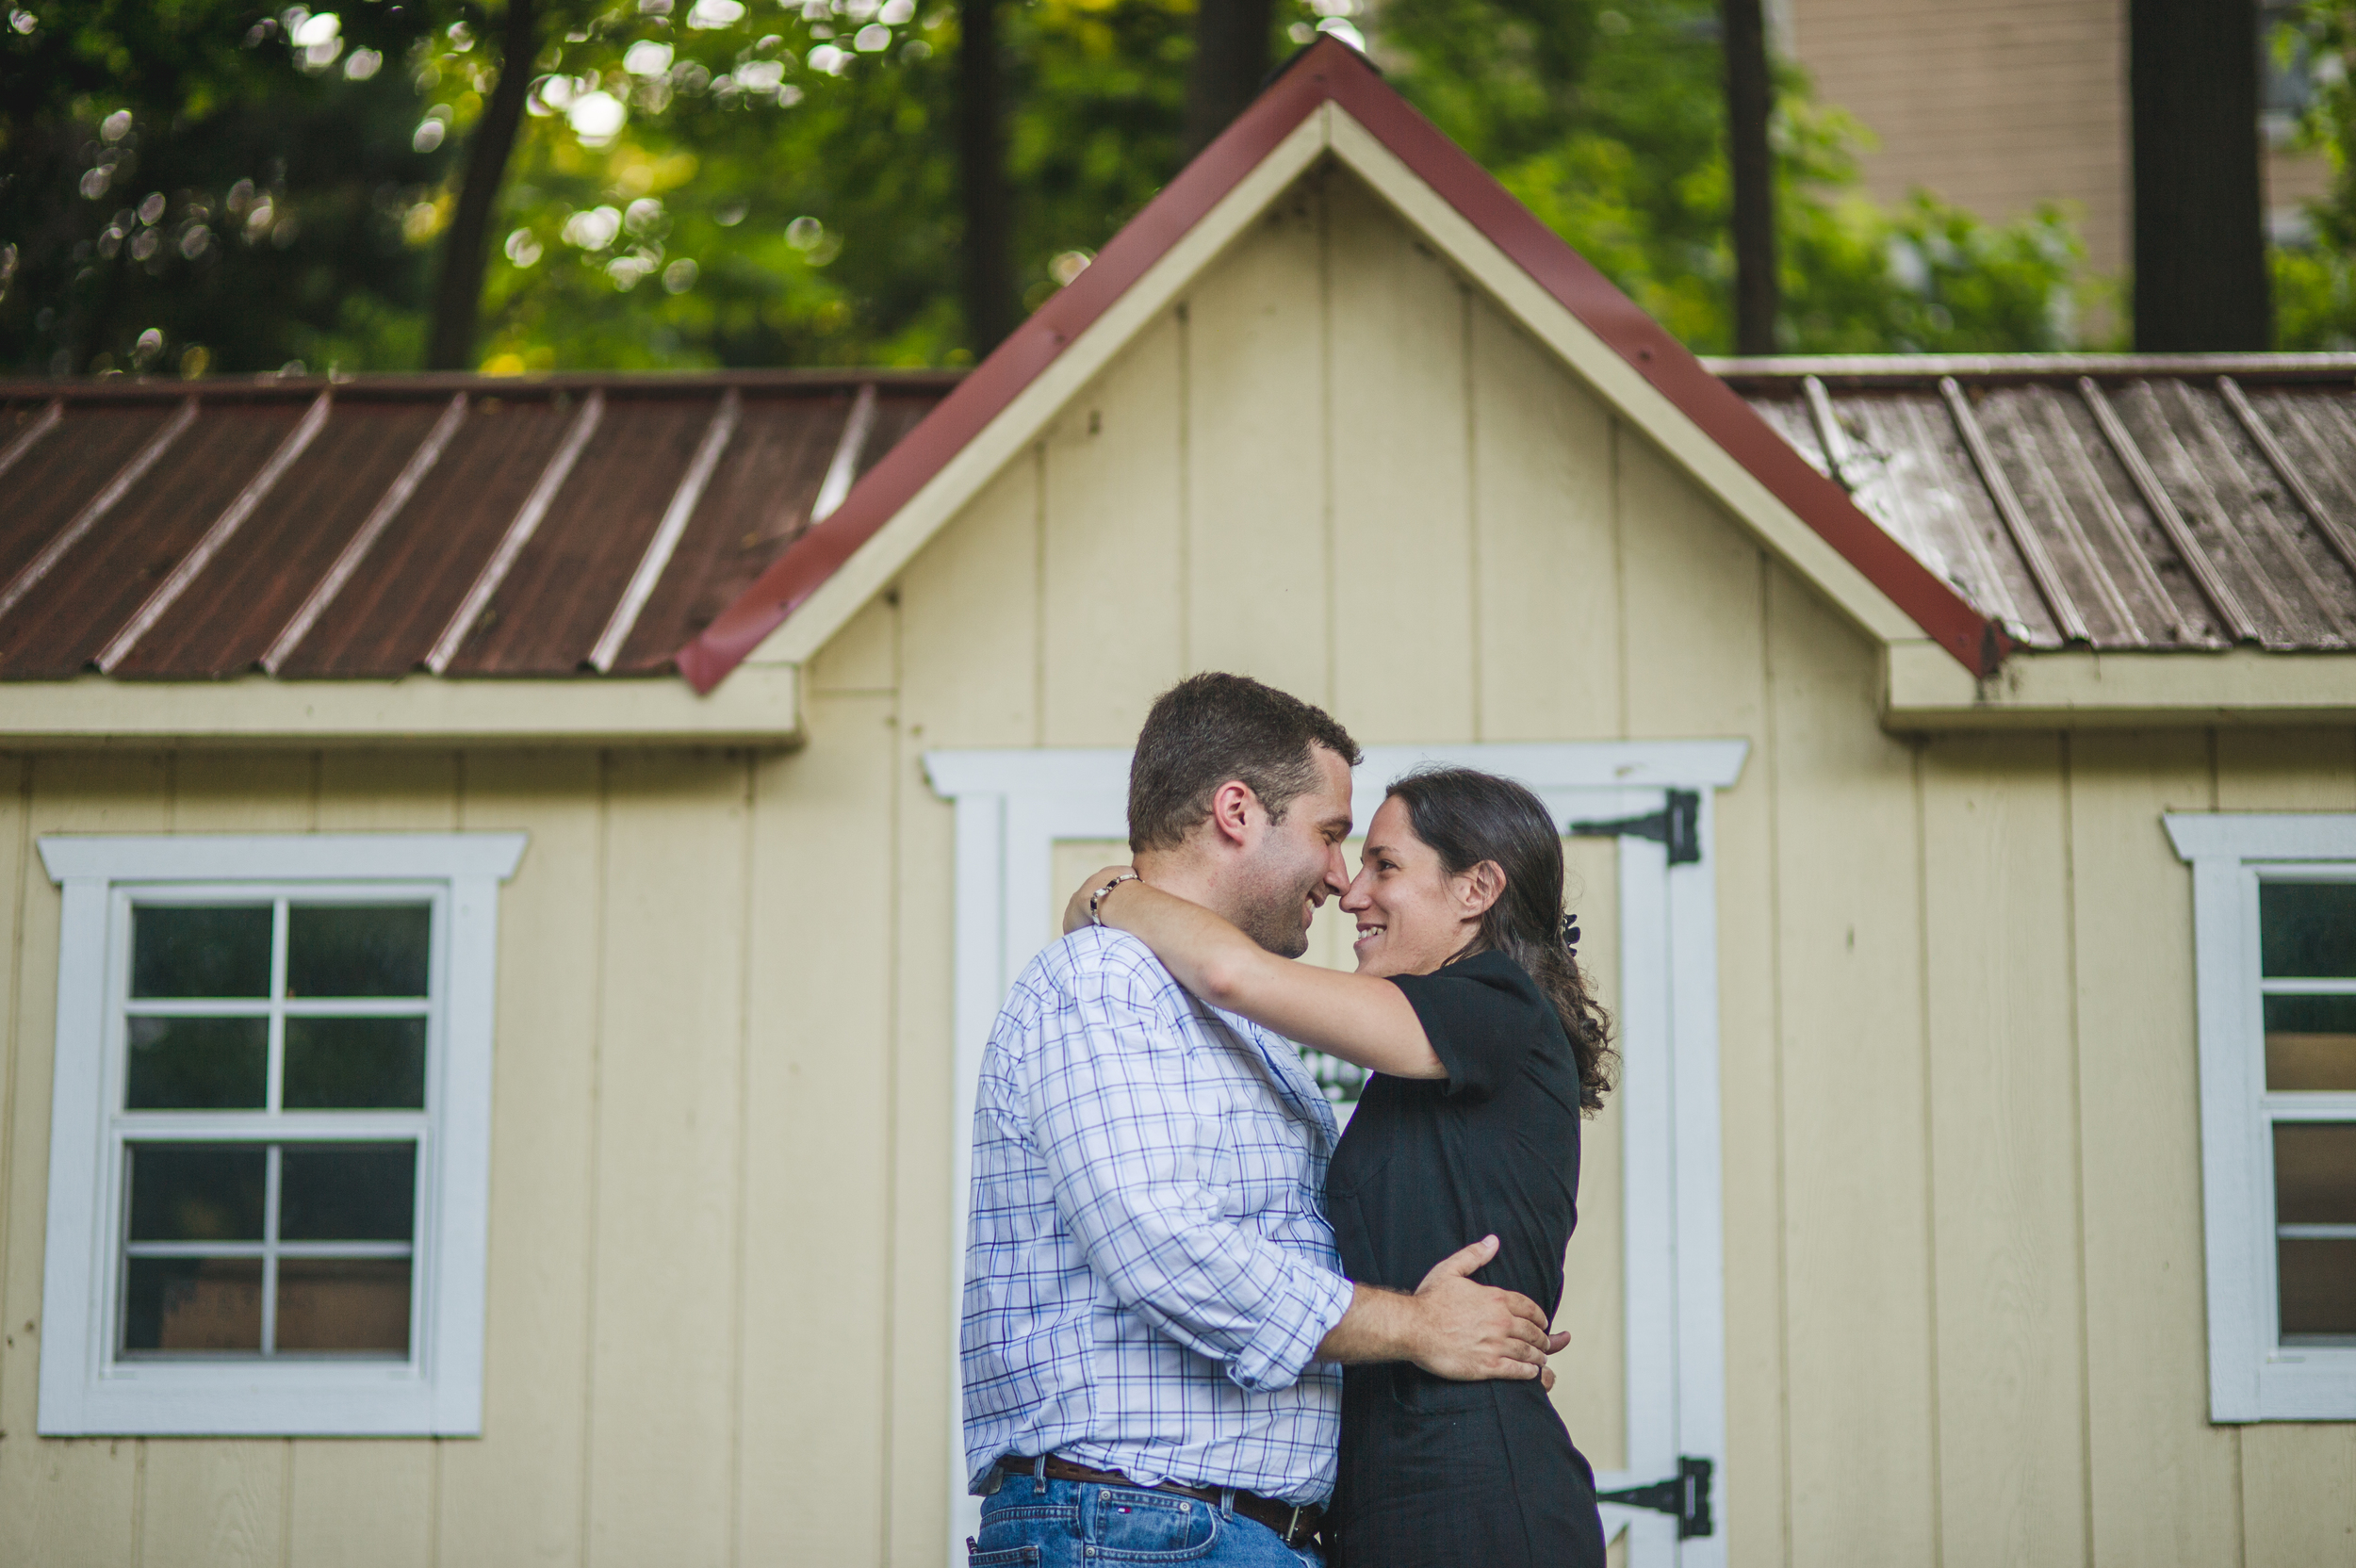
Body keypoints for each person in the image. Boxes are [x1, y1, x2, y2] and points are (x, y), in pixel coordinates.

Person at [962, 674, 1567, 1568]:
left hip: (1215, 1532)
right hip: (1139, 1525)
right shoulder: (1105, 983)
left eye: (1376, 862)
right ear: (1237, 812)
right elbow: (1159, 1242)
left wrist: (1466, 1336)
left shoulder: (1273, 1027)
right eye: (1332, 836)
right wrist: (1416, 1327)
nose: (1343, 880)